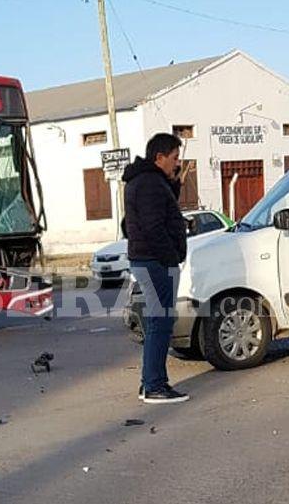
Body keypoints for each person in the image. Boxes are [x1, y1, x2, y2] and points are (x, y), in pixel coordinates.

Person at [122, 133, 189, 404]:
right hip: (155, 262)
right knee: (160, 323)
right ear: (159, 157)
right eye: (174, 158)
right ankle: (154, 385)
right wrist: (170, 257)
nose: (177, 163)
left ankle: (150, 383)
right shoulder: (149, 183)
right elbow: (153, 227)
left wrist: (173, 183)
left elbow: (133, 223)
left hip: (147, 260)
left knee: (157, 322)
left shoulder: (144, 181)